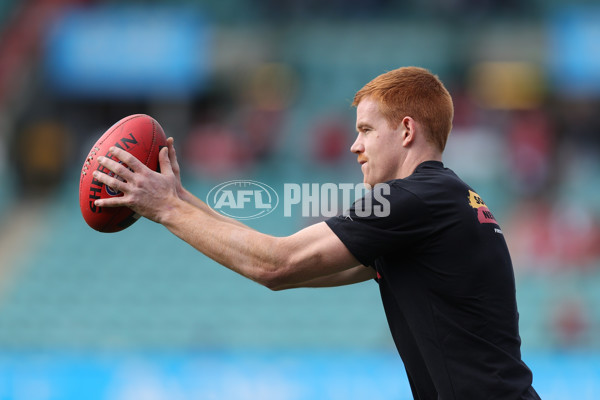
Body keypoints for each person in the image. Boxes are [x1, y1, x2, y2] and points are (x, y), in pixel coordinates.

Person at [92, 67, 540, 399]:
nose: (355, 146)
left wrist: (167, 208)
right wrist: (178, 198)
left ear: (406, 131)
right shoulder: (439, 201)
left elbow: (275, 264)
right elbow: (281, 266)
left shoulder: (414, 200)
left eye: (366, 130)